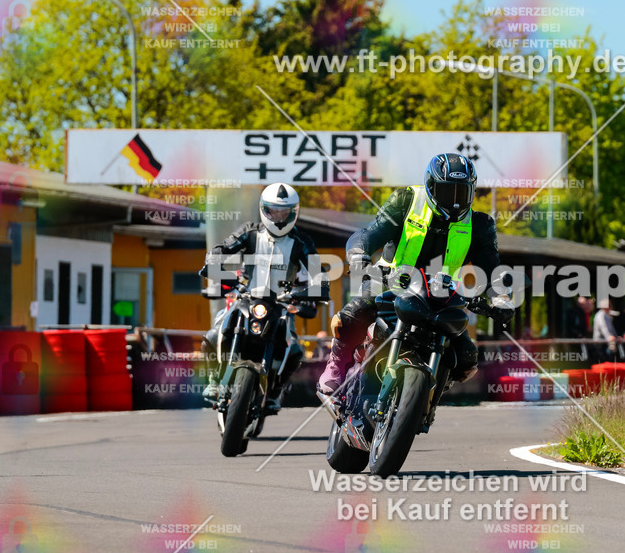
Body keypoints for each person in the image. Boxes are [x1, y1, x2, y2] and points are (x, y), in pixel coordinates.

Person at [317, 153, 515, 420]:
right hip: (389, 281)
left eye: (462, 191)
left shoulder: (480, 225)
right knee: (355, 313)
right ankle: (336, 368)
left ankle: (427, 395)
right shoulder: (406, 200)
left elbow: (492, 269)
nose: (455, 200)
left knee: (467, 358)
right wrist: (359, 255)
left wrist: (502, 298)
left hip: (441, 295)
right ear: (431, 186)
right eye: (447, 191)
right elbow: (372, 232)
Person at [199, 182, 319, 411]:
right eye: (274, 211)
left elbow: (317, 273)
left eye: (285, 212)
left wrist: (314, 291)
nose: (279, 217)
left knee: (295, 350)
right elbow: (222, 248)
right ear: (264, 210)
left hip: (281, 304)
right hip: (245, 296)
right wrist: (214, 263)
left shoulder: (303, 242)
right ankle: (214, 380)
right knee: (213, 334)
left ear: (294, 212)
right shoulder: (249, 232)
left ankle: (275, 392)